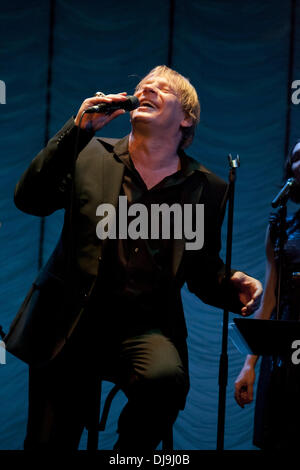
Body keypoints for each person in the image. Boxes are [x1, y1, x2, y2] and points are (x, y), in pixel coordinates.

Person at [5, 65, 262, 451]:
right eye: (143, 87)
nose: (146, 90)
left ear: (186, 118)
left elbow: (201, 269)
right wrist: (77, 130)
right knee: (47, 443)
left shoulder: (206, 187)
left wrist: (232, 283)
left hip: (146, 327)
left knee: (165, 380)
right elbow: (30, 200)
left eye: (161, 88)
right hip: (70, 320)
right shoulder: (89, 153)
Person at [234, 141, 300, 449]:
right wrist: (250, 364)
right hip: (285, 339)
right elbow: (270, 293)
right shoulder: (281, 226)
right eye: (298, 158)